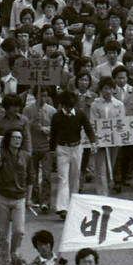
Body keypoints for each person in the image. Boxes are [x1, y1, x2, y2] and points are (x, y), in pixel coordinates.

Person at [50, 88, 97, 221]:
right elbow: (53, 134)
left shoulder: (80, 114)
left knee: (75, 177)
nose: (69, 109)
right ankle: (62, 208)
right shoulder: (57, 116)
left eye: (71, 106)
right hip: (62, 149)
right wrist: (52, 150)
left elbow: (88, 127)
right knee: (62, 178)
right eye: (66, 106)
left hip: (77, 147)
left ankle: (73, 205)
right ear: (62, 105)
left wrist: (93, 142)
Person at [0, 127, 34, 258]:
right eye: (15, 137)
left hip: (19, 197)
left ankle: (14, 252)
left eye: (20, 138)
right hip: (3, 196)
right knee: (2, 232)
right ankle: (5, 257)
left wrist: (29, 198)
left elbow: (31, 178)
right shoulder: (2, 153)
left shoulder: (26, 156)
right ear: (9, 139)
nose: (18, 140)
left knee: (19, 231)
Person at [90, 77, 125, 195]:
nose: (108, 91)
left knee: (111, 165)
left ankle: (108, 188)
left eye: (110, 88)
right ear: (101, 90)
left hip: (114, 139)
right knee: (100, 168)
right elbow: (93, 122)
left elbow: (121, 122)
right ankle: (102, 193)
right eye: (105, 88)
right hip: (99, 139)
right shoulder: (95, 104)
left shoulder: (119, 105)